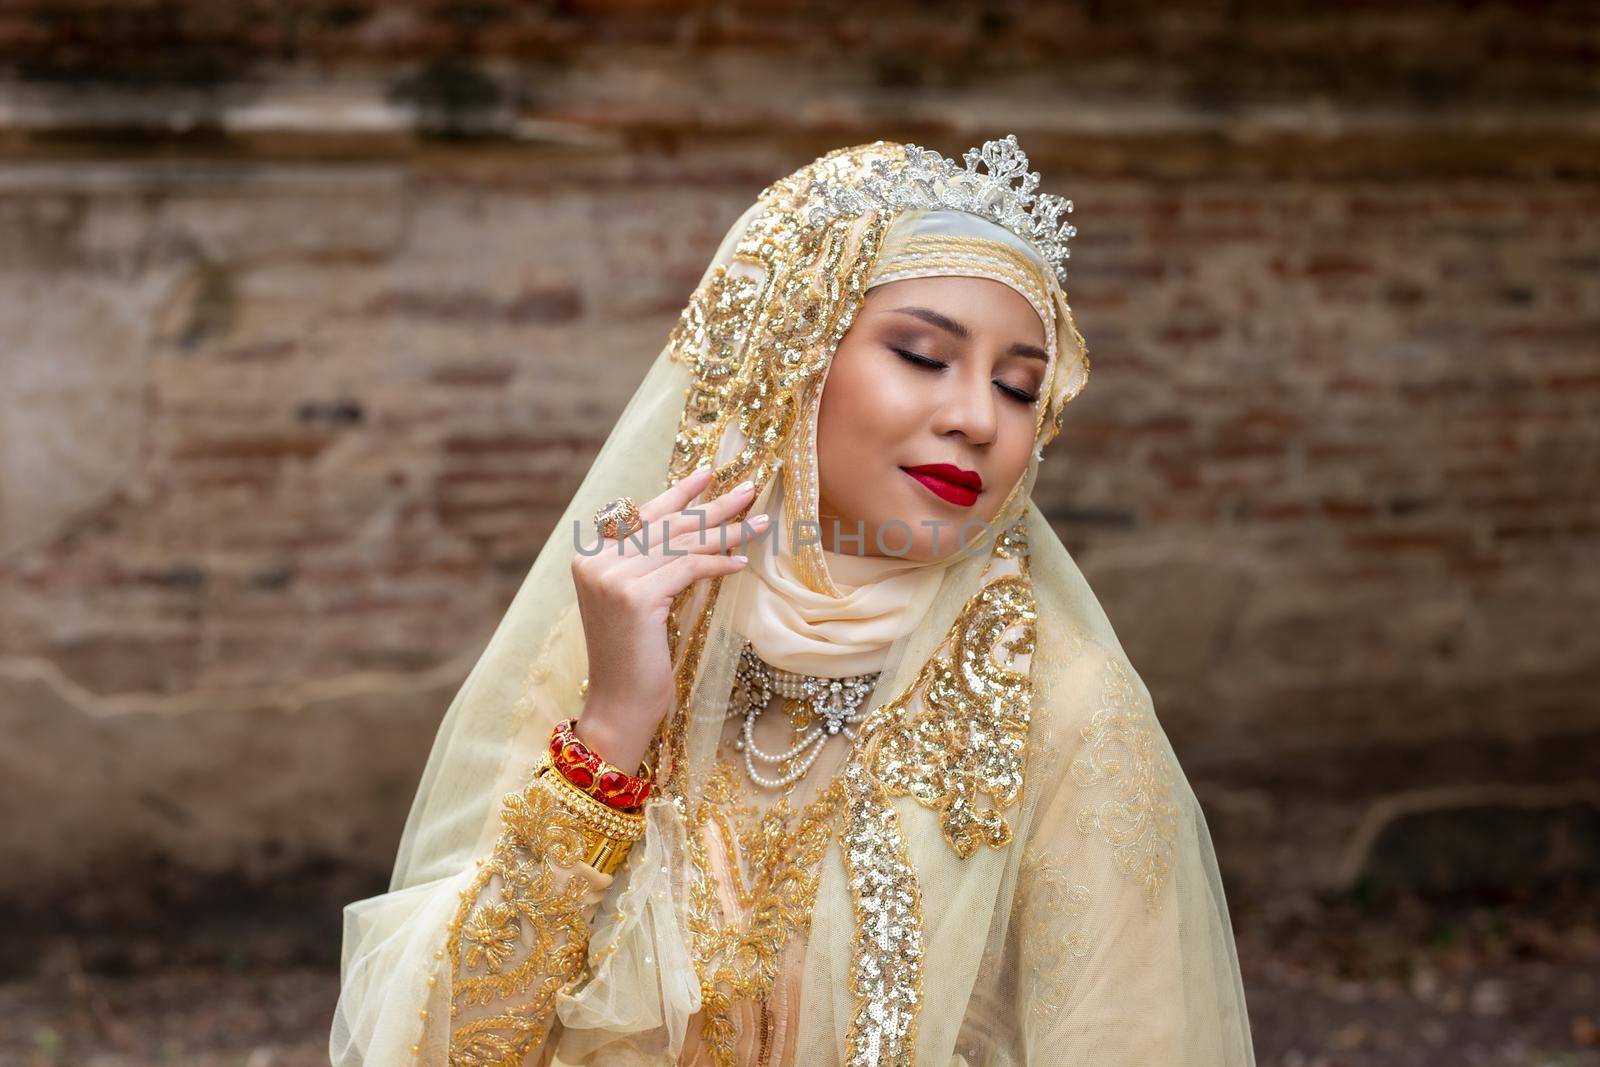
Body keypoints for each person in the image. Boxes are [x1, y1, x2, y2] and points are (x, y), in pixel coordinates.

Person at [331, 135, 1257, 1067]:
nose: (979, 417)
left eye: (1019, 388)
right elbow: (453, 1047)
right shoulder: (633, 634)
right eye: (924, 355)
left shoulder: (1061, 705)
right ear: (794, 357)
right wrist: (611, 730)